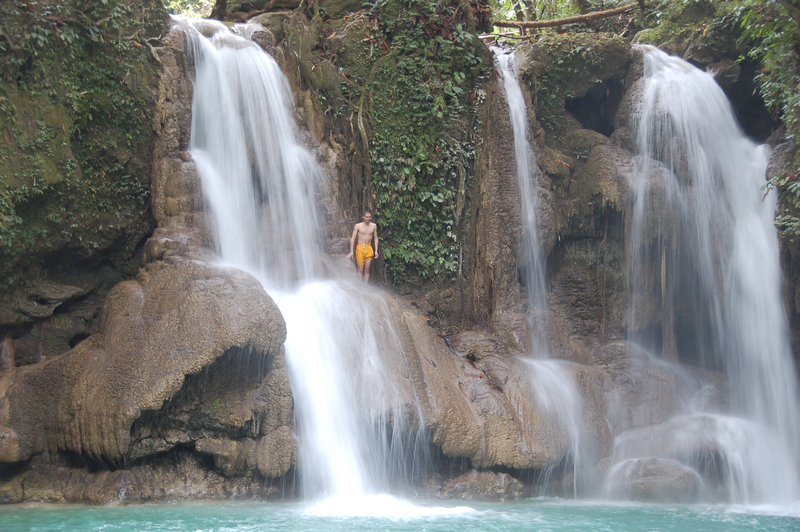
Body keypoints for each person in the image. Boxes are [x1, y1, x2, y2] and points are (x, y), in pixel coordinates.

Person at [347, 210, 379, 283]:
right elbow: (353, 238)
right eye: (366, 217)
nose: (368, 218)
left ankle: (365, 286)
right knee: (360, 269)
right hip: (360, 248)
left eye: (369, 217)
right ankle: (360, 286)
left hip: (369, 248)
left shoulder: (373, 226)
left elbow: (376, 238)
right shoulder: (358, 226)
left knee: (367, 269)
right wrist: (351, 251)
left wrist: (376, 251)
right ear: (363, 217)